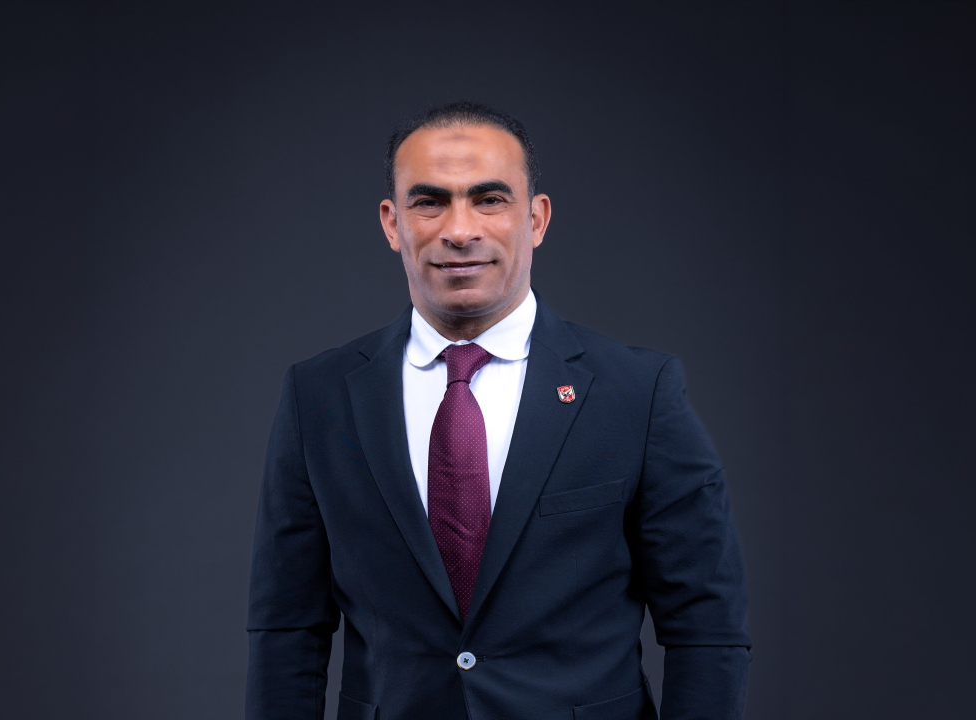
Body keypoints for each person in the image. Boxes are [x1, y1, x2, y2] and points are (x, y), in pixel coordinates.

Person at [246, 102, 750, 720]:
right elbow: (287, 630)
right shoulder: (319, 396)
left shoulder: (638, 392)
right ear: (392, 223)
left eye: (489, 199)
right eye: (429, 202)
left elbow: (707, 623)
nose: (460, 230)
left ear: (535, 219)